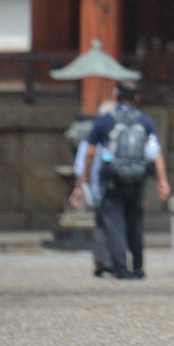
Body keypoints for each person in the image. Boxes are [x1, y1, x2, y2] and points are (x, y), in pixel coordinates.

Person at [83, 84, 170, 280]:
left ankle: (121, 269)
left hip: (112, 180)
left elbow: (89, 152)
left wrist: (86, 177)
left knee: (114, 225)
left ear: (116, 96)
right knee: (135, 225)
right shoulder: (145, 121)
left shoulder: (105, 121)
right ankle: (138, 268)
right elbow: (155, 153)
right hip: (137, 180)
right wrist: (162, 180)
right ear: (136, 98)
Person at [68, 97, 115, 277]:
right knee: (114, 223)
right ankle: (110, 260)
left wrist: (80, 186)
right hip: (113, 186)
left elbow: (81, 166)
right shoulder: (117, 136)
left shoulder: (90, 139)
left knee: (101, 224)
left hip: (96, 186)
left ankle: (101, 261)